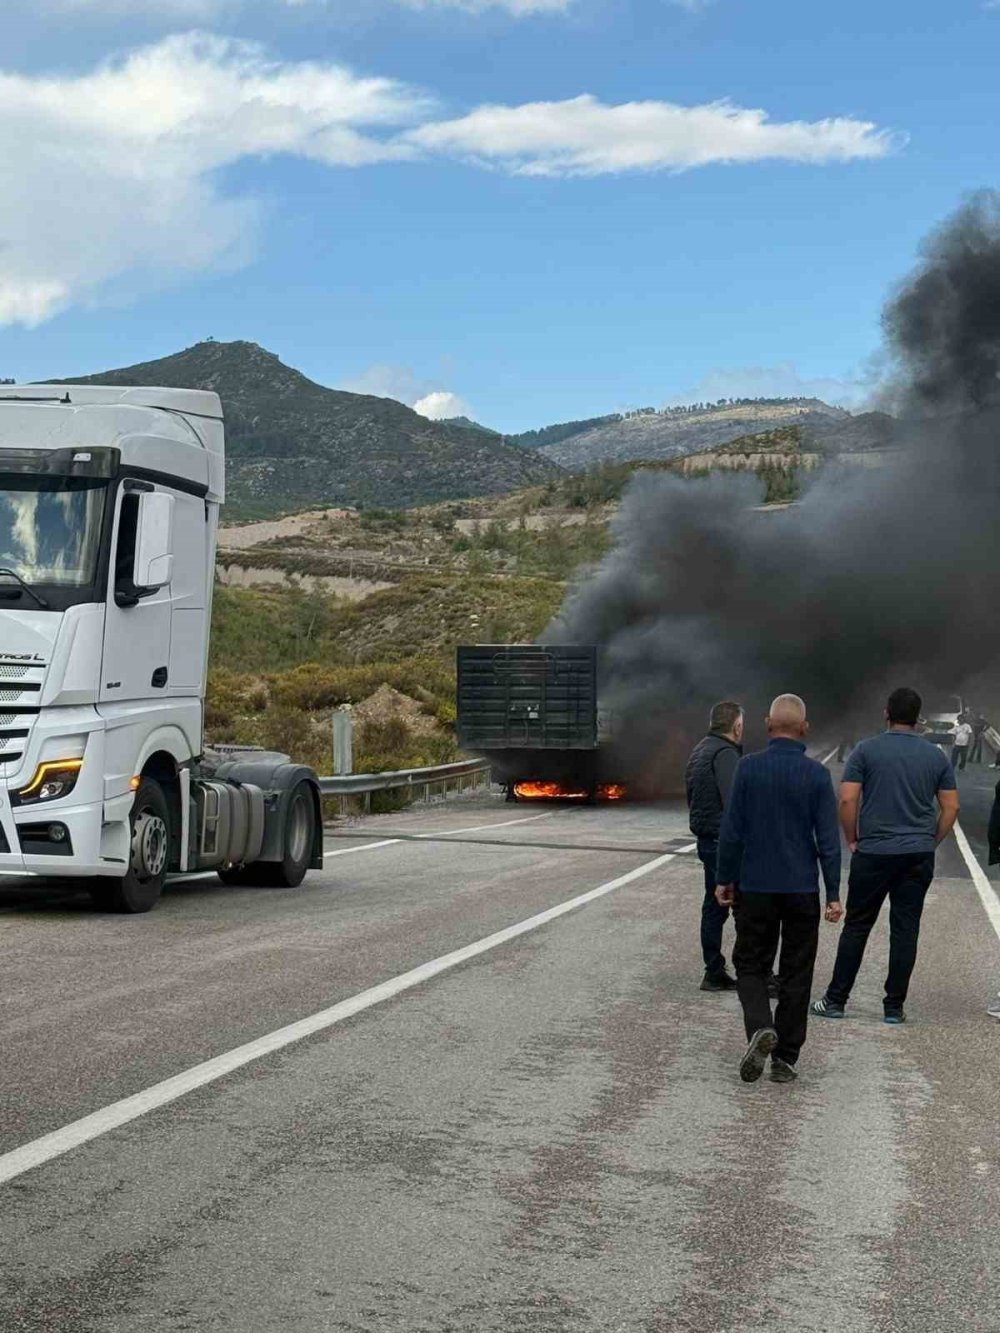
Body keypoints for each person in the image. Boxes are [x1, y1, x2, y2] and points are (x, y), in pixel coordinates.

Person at [715, 694, 842, 1084]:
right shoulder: (818, 776)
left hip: (756, 886)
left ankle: (759, 1027)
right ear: (804, 728)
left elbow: (732, 831)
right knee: (797, 972)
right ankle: (785, 1058)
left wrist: (724, 878)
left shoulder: (748, 769)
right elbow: (828, 841)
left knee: (750, 963)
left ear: (768, 725)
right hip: (801, 888)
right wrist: (834, 893)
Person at [813, 686, 959, 1025]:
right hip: (917, 853)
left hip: (874, 851)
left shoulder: (866, 751)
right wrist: (930, 841)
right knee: (905, 930)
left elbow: (848, 800)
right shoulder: (936, 756)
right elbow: (951, 807)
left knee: (857, 926)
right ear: (919, 719)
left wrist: (852, 839)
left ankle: (835, 1000)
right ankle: (893, 1008)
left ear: (886, 714)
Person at [685, 700, 744, 992]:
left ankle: (714, 969)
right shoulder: (725, 753)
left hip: (707, 839)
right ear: (736, 725)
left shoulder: (700, 750)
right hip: (725, 842)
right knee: (743, 907)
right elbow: (736, 802)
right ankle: (752, 973)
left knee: (713, 906)